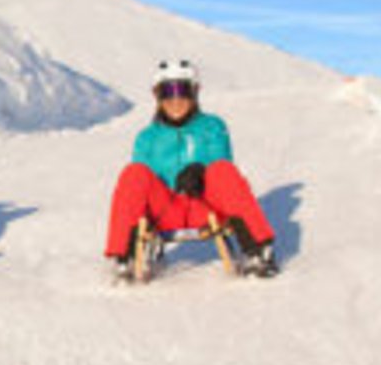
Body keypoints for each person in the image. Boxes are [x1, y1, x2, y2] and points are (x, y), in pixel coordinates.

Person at [104, 60, 279, 279]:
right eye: (167, 91)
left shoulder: (212, 126)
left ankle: (259, 252)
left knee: (223, 171)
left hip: (205, 205)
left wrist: (200, 172)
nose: (175, 99)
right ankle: (123, 258)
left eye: (182, 90)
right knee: (133, 174)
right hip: (165, 209)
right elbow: (140, 186)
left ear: (195, 92)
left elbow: (221, 160)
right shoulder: (147, 137)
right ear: (157, 96)